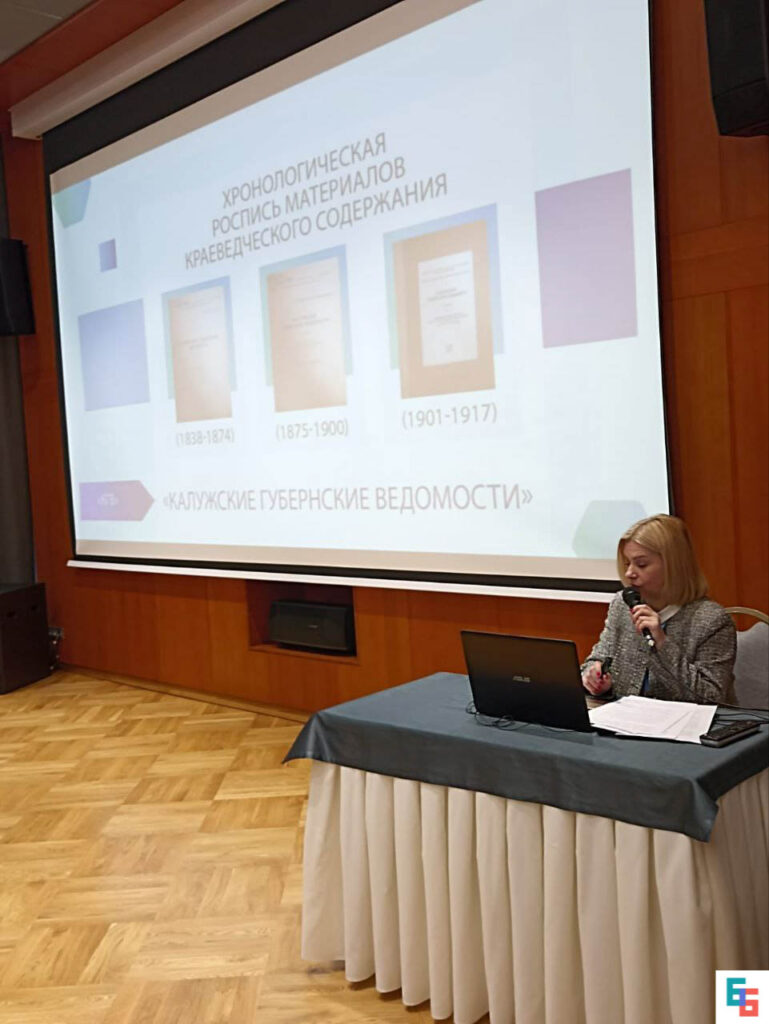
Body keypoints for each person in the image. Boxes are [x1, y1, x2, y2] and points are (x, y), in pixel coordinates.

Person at [581, 514, 736, 705]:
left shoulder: (711, 620)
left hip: (686, 722)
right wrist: (595, 679)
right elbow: (597, 659)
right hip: (626, 718)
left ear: (674, 565)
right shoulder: (622, 605)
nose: (629, 573)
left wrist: (662, 644)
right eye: (627, 563)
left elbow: (711, 697)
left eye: (641, 564)